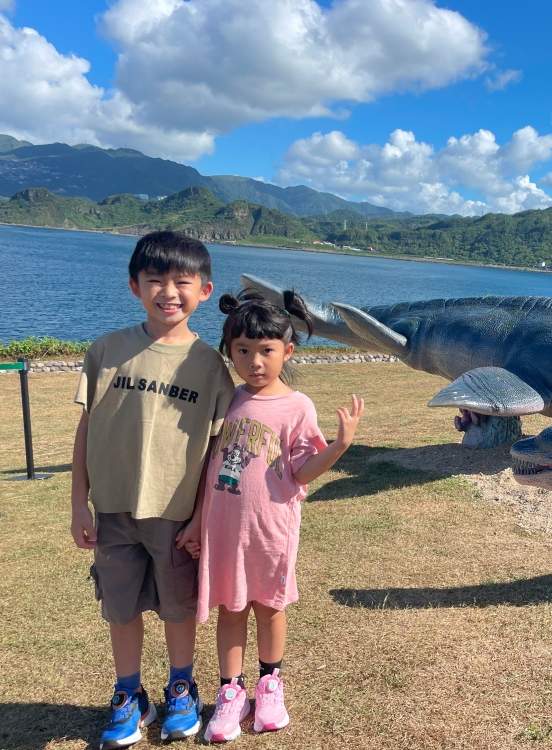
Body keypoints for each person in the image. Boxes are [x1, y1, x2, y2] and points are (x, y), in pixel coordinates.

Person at [70, 230, 236, 749]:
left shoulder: (210, 366)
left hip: (175, 514)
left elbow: (217, 453)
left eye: (182, 282)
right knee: (120, 608)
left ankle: (181, 687)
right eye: (155, 280)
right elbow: (86, 428)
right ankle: (129, 694)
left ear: (204, 291)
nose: (169, 291)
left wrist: (199, 519)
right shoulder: (108, 350)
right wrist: (79, 501)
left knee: (177, 608)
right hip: (113, 510)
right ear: (133, 287)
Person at [192, 289, 364, 743]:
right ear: (229, 352)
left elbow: (302, 470)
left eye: (266, 351)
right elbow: (206, 463)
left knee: (269, 607)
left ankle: (270, 686)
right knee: (231, 608)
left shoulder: (297, 406)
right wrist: (195, 522)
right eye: (242, 351)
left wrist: (339, 446)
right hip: (224, 530)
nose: (254, 362)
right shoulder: (226, 399)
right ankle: (231, 694)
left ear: (286, 350)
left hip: (271, 531)